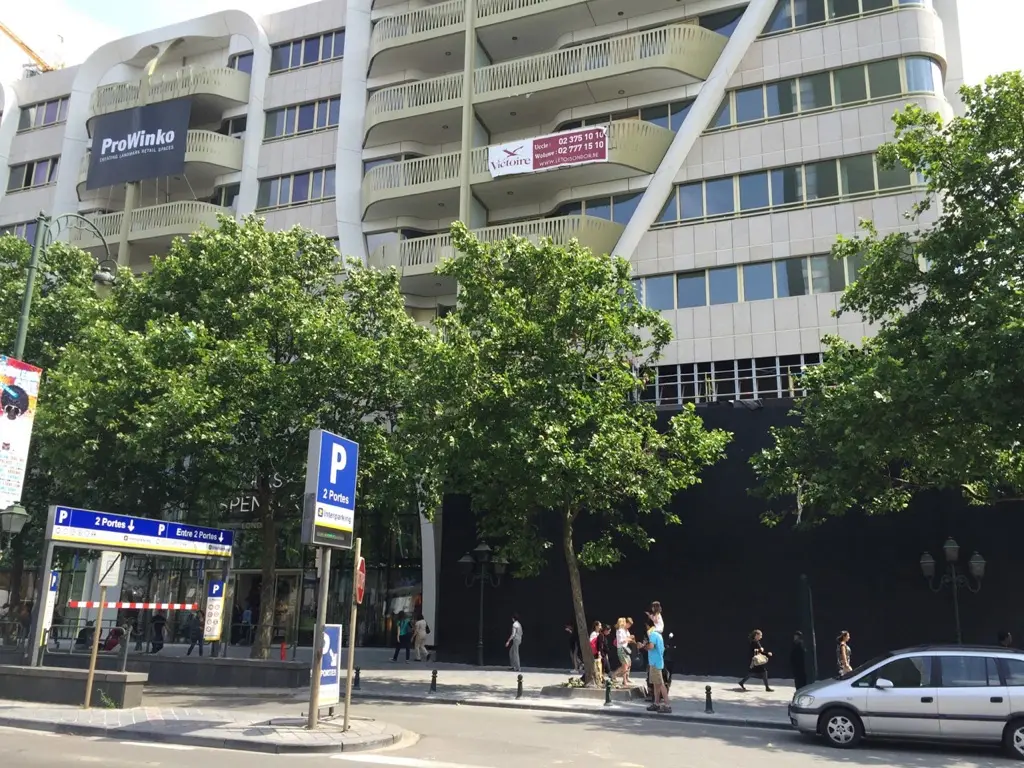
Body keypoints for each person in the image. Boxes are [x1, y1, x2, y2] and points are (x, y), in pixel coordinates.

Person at [644, 619, 670, 713]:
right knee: (656, 684)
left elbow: (651, 646)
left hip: (655, 663)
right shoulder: (659, 635)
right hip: (656, 662)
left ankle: (667, 705)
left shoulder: (653, 635)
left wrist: (643, 646)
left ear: (648, 626)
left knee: (660, 684)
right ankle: (656, 703)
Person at [613, 617, 634, 687]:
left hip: (625, 648)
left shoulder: (624, 630)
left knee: (627, 664)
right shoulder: (619, 631)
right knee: (625, 665)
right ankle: (624, 681)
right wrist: (628, 639)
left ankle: (616, 675)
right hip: (621, 649)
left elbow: (627, 638)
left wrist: (629, 638)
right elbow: (620, 641)